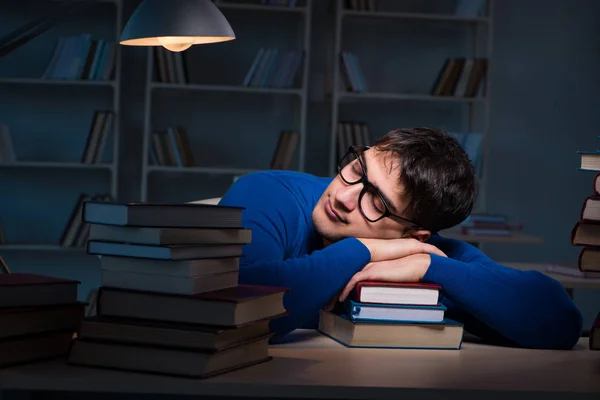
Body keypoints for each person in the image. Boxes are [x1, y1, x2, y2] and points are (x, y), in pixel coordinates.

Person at [218, 127, 583, 350]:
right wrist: (362, 249)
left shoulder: (423, 253)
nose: (343, 197)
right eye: (356, 169)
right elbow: (235, 305)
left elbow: (560, 321)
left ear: (414, 234)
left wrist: (429, 266)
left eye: (375, 202)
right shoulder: (268, 193)